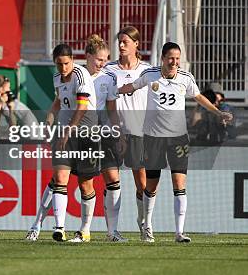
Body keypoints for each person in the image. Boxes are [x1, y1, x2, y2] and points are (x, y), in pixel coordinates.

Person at [118, 42, 233, 243]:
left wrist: (218, 112)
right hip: (153, 138)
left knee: (179, 184)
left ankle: (179, 232)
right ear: (163, 58)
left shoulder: (185, 78)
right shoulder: (151, 74)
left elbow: (198, 97)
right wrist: (114, 91)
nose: (174, 62)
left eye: (178, 58)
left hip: (178, 139)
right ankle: (147, 227)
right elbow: (132, 87)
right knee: (151, 186)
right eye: (171, 58)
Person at [27, 43, 97, 243]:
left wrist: (68, 131)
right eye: (59, 64)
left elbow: (82, 107)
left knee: (85, 185)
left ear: (72, 61)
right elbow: (59, 100)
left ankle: (85, 230)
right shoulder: (57, 77)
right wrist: (49, 119)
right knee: (60, 177)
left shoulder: (80, 75)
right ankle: (60, 228)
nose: (63, 68)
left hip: (86, 133)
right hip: (64, 133)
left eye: (66, 63)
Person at [73, 34, 127, 243]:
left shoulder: (109, 78)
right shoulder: (77, 74)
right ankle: (84, 231)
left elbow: (112, 110)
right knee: (86, 183)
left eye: (106, 60)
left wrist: (119, 134)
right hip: (85, 136)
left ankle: (112, 232)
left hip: (105, 135)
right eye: (99, 60)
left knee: (113, 179)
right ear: (87, 56)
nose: (103, 64)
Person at [104, 26, 151, 237]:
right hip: (113, 132)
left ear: (136, 44)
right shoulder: (108, 70)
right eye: (119, 42)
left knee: (142, 182)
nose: (121, 45)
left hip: (138, 132)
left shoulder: (147, 71)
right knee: (112, 180)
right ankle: (112, 230)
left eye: (125, 42)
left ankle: (144, 223)